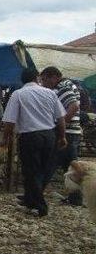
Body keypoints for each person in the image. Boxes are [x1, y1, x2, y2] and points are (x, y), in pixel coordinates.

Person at [1, 67, 66, 217]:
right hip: (49, 135)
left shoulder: (18, 94)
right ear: (37, 78)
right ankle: (30, 200)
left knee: (31, 171)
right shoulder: (50, 93)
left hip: (30, 136)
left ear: (22, 81)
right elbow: (60, 118)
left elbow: (10, 121)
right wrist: (62, 137)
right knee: (43, 169)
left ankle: (40, 206)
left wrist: (6, 138)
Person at [39, 66, 82, 206]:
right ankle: (75, 198)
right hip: (70, 132)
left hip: (68, 132)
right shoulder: (66, 85)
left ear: (53, 77)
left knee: (51, 164)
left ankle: (35, 194)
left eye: (45, 80)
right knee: (68, 166)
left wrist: (61, 126)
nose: (44, 83)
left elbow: (74, 105)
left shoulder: (63, 86)